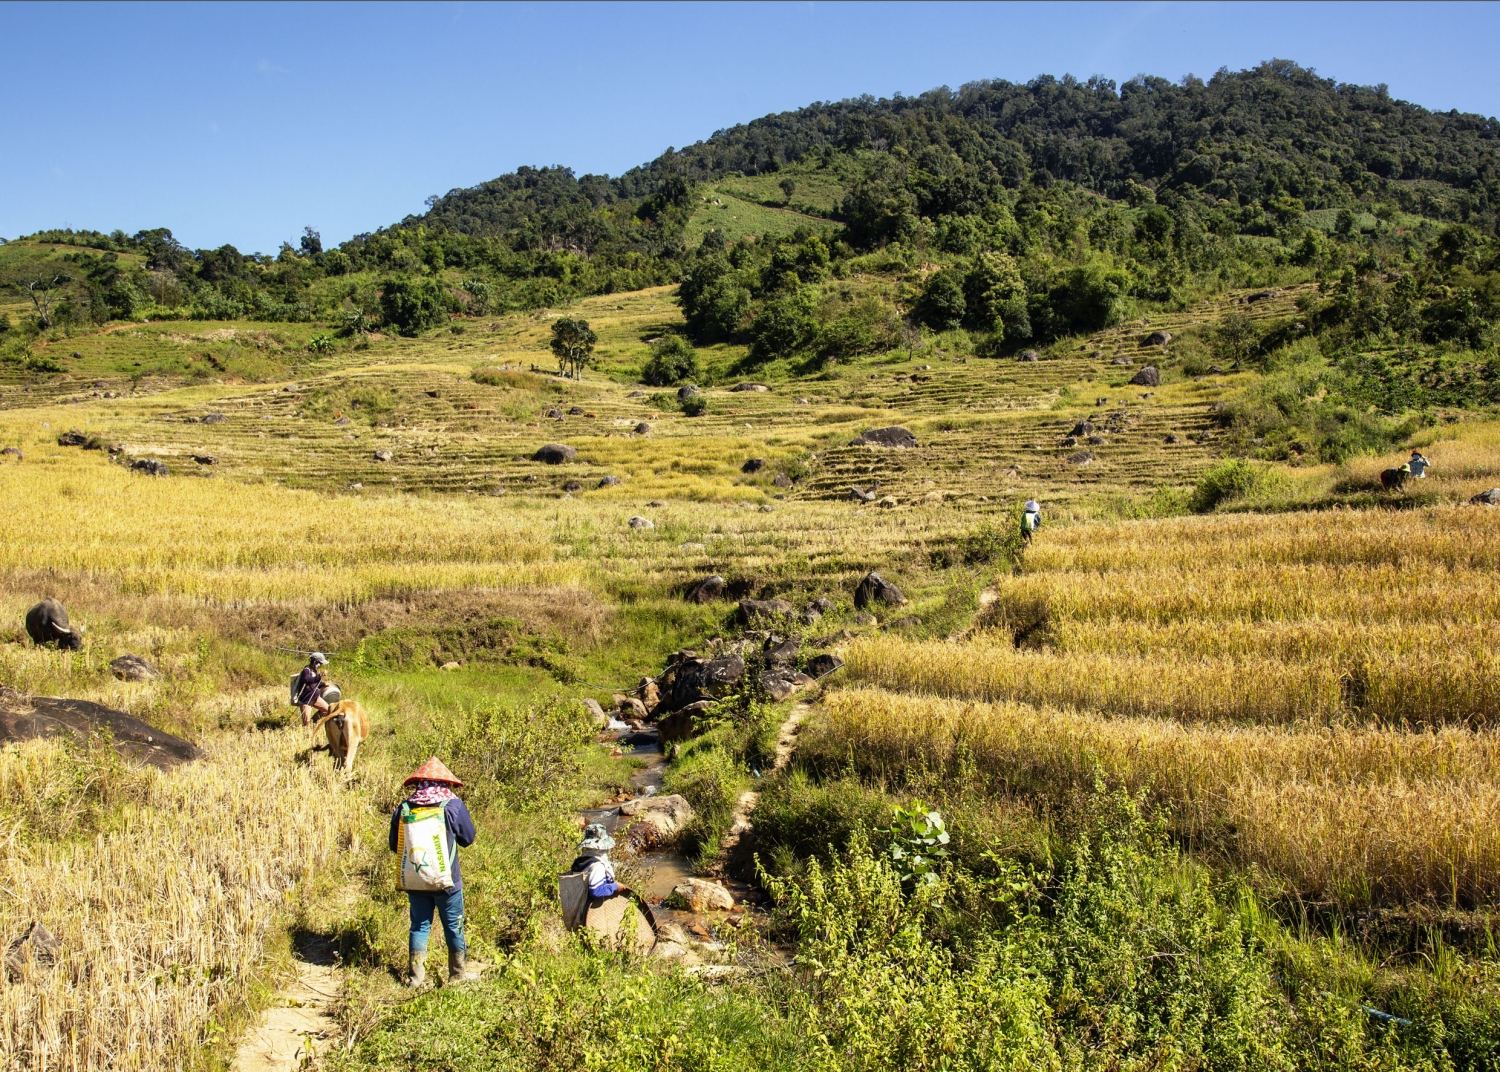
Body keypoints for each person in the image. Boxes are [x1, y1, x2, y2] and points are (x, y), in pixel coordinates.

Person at [389, 757, 478, 988]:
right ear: (445, 784)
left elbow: (394, 845)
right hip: (447, 881)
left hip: (415, 880)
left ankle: (415, 978)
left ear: (419, 783)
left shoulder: (405, 807)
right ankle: (457, 974)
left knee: (419, 925)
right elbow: (468, 838)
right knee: (453, 925)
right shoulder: (452, 806)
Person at [568, 823, 620, 908]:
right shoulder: (597, 866)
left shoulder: (580, 862)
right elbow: (596, 891)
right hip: (591, 913)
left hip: (578, 908)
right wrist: (615, 886)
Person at [295, 652, 330, 728]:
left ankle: (314, 720)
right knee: (306, 723)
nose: (320, 666)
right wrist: (320, 675)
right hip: (306, 699)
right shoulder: (306, 670)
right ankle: (307, 732)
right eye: (320, 663)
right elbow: (307, 680)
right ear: (315, 662)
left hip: (315, 697)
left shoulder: (314, 671)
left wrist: (323, 684)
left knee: (327, 710)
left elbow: (314, 682)